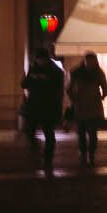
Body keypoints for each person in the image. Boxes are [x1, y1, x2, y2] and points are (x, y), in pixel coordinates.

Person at [22, 45, 66, 176]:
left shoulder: (56, 71)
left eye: (40, 59)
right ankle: (36, 152)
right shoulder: (34, 68)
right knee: (29, 131)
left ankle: (47, 157)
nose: (39, 61)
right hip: (34, 105)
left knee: (48, 132)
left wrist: (40, 81)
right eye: (38, 59)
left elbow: (58, 90)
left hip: (48, 106)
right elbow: (24, 84)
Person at [67, 52, 107, 168]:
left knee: (88, 133)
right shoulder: (94, 73)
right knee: (85, 133)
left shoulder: (78, 72)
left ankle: (88, 155)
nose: (90, 64)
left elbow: (69, 89)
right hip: (86, 107)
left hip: (86, 107)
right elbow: (106, 89)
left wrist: (74, 97)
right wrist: (100, 96)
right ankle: (87, 155)